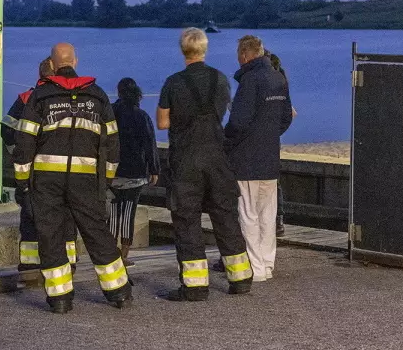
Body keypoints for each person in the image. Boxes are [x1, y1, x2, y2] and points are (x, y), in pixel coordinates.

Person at [14, 42, 131, 313]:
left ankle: (60, 299)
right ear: (75, 62)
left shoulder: (40, 96)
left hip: (47, 179)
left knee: (51, 236)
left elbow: (25, 141)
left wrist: (22, 180)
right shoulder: (97, 96)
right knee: (97, 232)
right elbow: (112, 142)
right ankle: (119, 292)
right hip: (85, 179)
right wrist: (107, 180)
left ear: (52, 65)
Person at [157, 28, 253, 300]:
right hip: (217, 155)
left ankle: (195, 286)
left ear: (183, 50)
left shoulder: (173, 82)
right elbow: (225, 112)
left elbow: (162, 123)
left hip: (186, 157)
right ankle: (241, 279)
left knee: (187, 220)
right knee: (225, 216)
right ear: (205, 49)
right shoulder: (221, 79)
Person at [225, 35, 293, 283]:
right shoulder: (278, 78)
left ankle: (254, 267)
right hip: (270, 158)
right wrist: (269, 134)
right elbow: (286, 117)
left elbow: (238, 122)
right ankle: (267, 263)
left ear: (244, 55)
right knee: (267, 215)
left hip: (247, 160)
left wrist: (226, 142)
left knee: (248, 215)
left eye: (238, 54)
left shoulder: (250, 80)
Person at [1, 57, 78, 271]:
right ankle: (68, 261)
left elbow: (6, 129)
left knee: (30, 216)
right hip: (65, 170)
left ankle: (30, 264)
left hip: (34, 170)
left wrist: (17, 153)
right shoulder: (67, 98)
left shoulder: (26, 97)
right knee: (66, 216)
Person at [110, 77, 160, 266]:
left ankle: (111, 253)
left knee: (113, 212)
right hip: (135, 173)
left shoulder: (110, 114)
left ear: (119, 92)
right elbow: (150, 144)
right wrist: (154, 169)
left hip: (113, 172)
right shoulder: (142, 116)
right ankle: (124, 254)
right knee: (128, 212)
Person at [267, 52, 293, 238]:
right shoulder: (281, 84)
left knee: (272, 182)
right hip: (272, 139)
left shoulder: (271, 84)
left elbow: (288, 114)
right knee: (274, 181)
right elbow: (288, 115)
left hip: (264, 140)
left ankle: (277, 220)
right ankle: (278, 220)